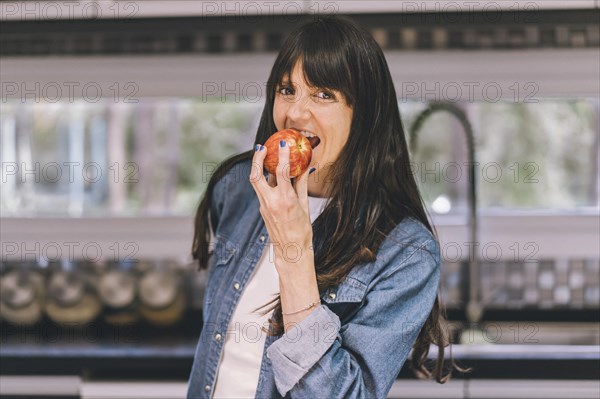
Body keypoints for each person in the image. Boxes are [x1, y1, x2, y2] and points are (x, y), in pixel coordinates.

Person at [188, 15, 458, 399]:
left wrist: (294, 254)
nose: (296, 113)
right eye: (287, 90)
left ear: (363, 114)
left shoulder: (406, 254)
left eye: (323, 94)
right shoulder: (238, 188)